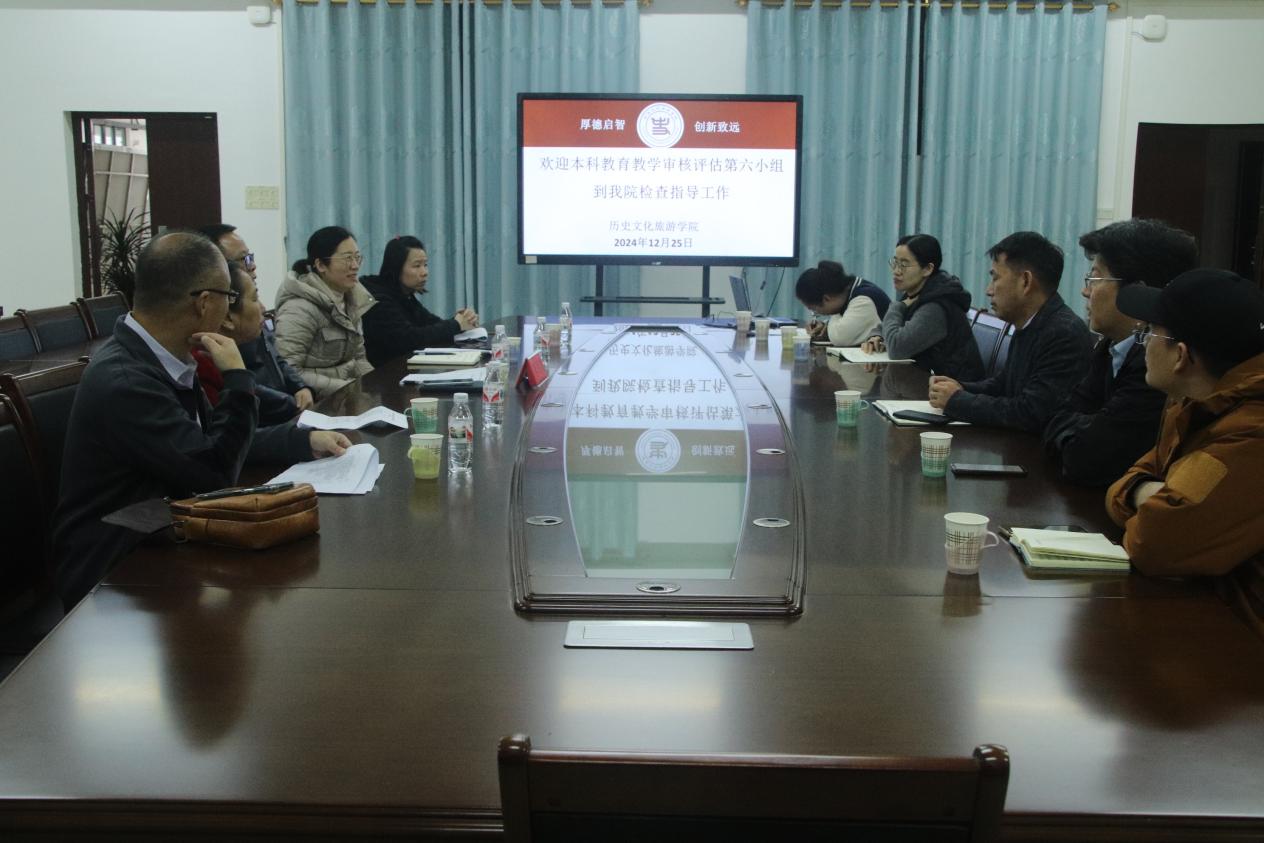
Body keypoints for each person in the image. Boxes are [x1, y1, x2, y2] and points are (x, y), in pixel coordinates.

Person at [52, 234, 269, 609]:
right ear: (204, 303)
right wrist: (237, 378)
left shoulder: (162, 358)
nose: (227, 308)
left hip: (159, 533)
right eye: (228, 296)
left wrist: (301, 440)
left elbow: (210, 447)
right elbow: (214, 473)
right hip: (114, 570)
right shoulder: (127, 381)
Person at [1106, 269, 1264, 636]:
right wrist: (1145, 491)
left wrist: (1154, 495)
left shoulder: (1251, 431)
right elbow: (1126, 484)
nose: (1143, 343)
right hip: (1210, 614)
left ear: (1180, 356)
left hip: (1244, 644)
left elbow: (1156, 542)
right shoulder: (1195, 405)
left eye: (1149, 332)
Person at [1043, 219, 1199, 486]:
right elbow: (1054, 418)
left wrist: (1077, 430)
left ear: (1137, 291)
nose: (1085, 291)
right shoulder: (1110, 346)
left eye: (1094, 278)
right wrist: (1080, 428)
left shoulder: (1160, 365)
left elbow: (1085, 458)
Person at [928, 231, 1093, 432]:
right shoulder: (1031, 322)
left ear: (1025, 281)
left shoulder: (1063, 333)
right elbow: (1004, 384)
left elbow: (1030, 412)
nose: (989, 290)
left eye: (995, 278)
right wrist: (960, 388)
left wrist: (957, 401)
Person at [193, 260, 351, 463]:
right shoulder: (205, 365)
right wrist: (237, 375)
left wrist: (305, 435)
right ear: (228, 318)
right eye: (255, 298)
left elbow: (279, 359)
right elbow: (223, 446)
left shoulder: (253, 333)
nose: (263, 308)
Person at [198, 223, 315, 424]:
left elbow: (275, 355)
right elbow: (243, 382)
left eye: (250, 257)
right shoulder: (219, 327)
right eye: (243, 259)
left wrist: (300, 386)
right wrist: (290, 404)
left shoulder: (250, 311)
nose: (252, 265)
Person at [861, 234, 984, 380]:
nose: (896, 271)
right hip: (924, 380)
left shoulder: (936, 305)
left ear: (927, 269)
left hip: (954, 388)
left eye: (904, 265)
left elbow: (896, 349)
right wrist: (876, 336)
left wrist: (897, 306)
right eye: (895, 262)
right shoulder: (918, 292)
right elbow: (887, 327)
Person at [274, 226, 375, 398]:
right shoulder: (299, 309)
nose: (355, 266)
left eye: (357, 257)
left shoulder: (351, 300)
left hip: (347, 397)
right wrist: (348, 390)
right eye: (347, 258)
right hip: (318, 402)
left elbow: (358, 359)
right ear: (320, 265)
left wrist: (375, 386)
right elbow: (289, 372)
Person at [360, 235, 480, 367]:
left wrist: (461, 321)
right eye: (417, 266)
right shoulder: (379, 299)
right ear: (396, 268)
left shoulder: (405, 295)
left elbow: (430, 323)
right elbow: (410, 339)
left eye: (425, 265)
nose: (424, 272)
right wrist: (455, 324)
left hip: (406, 367)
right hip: (384, 373)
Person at [794, 259, 890, 347]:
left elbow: (840, 337)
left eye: (814, 309)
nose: (816, 313)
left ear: (826, 298)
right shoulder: (851, 289)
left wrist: (829, 325)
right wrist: (825, 326)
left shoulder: (863, 300)